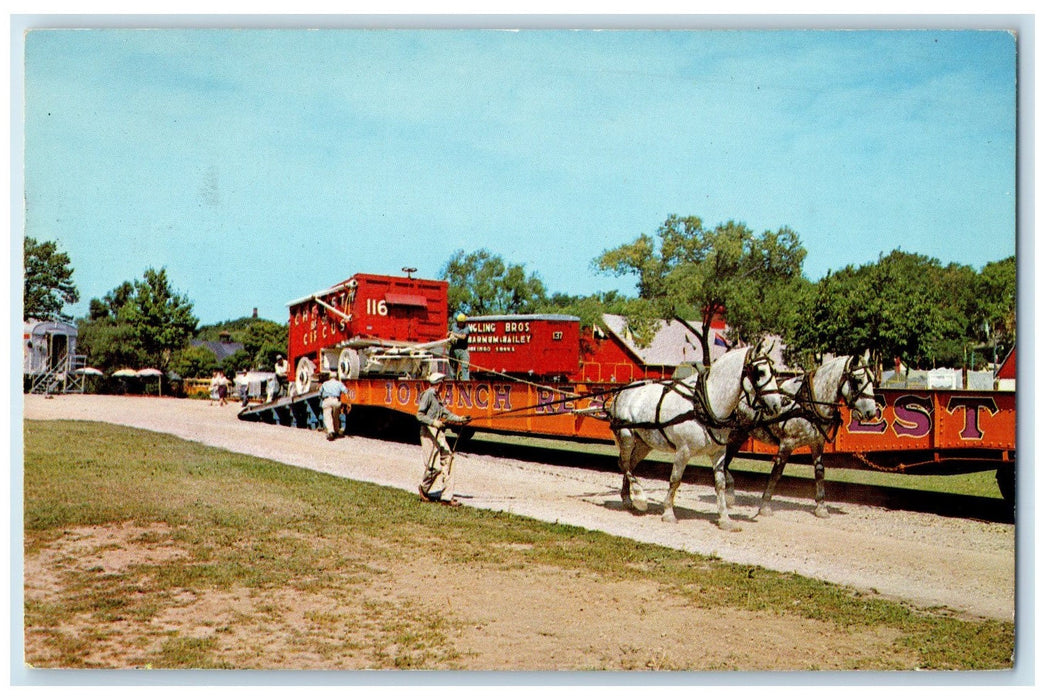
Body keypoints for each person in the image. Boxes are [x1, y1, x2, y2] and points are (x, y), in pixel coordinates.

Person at [416, 371, 470, 504]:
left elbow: (446, 413)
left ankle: (446, 497)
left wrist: (460, 419)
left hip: (438, 432)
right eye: (442, 383)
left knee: (449, 459)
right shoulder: (428, 394)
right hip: (428, 432)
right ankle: (424, 488)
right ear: (439, 384)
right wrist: (434, 422)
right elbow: (419, 415)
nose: (443, 385)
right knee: (434, 467)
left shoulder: (437, 397)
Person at [318, 371, 351, 440]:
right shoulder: (339, 383)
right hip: (336, 401)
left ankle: (330, 431)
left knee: (327, 416)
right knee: (336, 416)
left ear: (329, 377)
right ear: (336, 377)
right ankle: (336, 431)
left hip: (327, 400)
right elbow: (346, 391)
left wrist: (322, 398)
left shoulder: (325, 384)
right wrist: (348, 402)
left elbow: (319, 393)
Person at [449, 312, 470, 380]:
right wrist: (450, 335)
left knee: (465, 367)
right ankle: (452, 383)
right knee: (452, 368)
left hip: (463, 350)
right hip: (454, 348)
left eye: (461, 322)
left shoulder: (466, 328)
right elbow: (448, 333)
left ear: (464, 322)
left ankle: (465, 383)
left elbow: (463, 337)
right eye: (458, 322)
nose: (459, 324)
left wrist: (454, 334)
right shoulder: (453, 326)